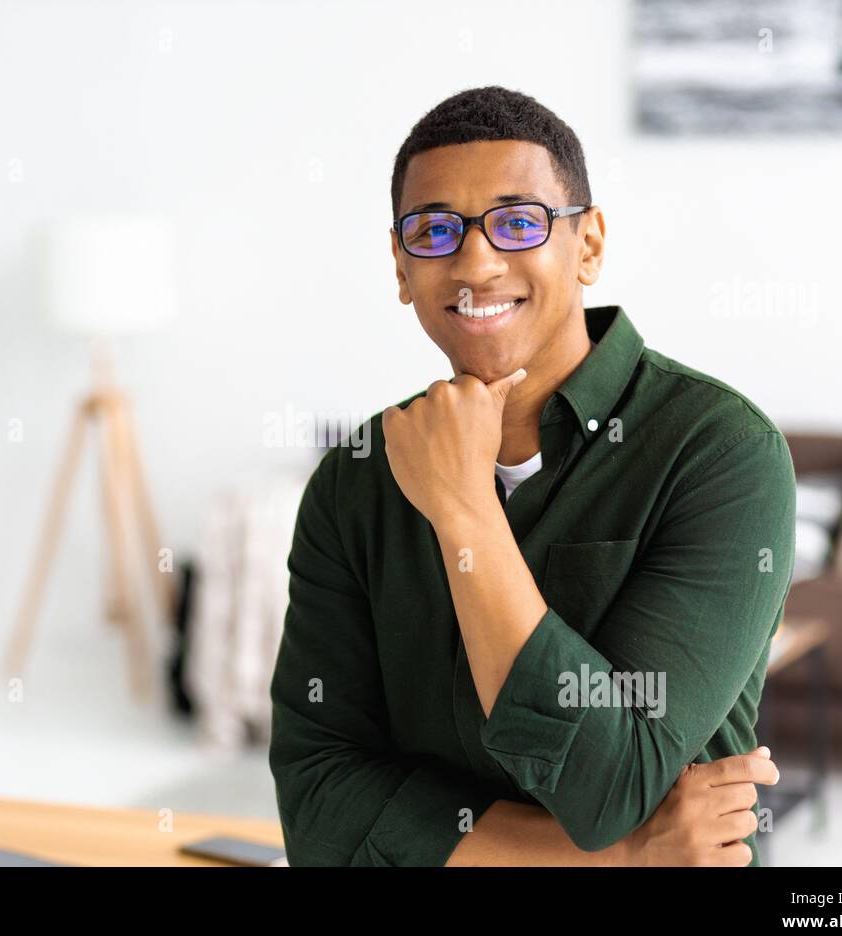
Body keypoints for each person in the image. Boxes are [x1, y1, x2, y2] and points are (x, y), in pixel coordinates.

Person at [268, 85, 795, 866]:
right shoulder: (357, 479)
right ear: (401, 265)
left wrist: (463, 512)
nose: (475, 261)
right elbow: (317, 798)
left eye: (519, 222)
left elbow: (607, 786)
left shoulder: (720, 453)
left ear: (589, 246)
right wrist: (615, 860)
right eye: (435, 230)